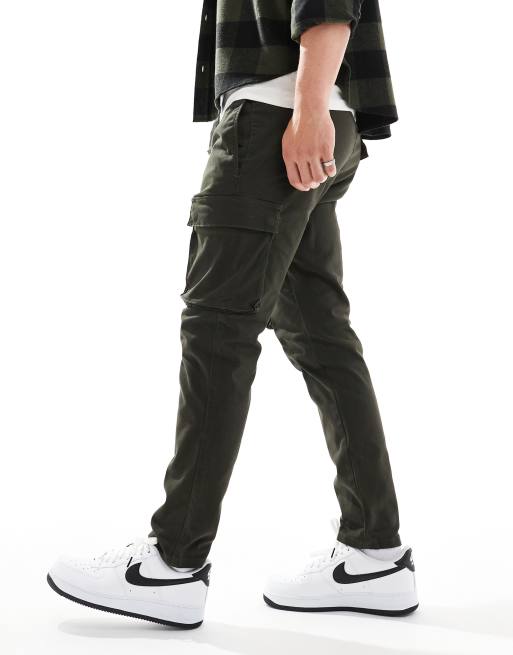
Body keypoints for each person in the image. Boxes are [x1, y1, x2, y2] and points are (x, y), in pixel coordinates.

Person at [47, 0, 419, 628]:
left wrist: (305, 108)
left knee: (217, 332)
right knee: (322, 338)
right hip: (314, 114)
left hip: (281, 120)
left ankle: (171, 562)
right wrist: (312, 106)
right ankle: (375, 553)